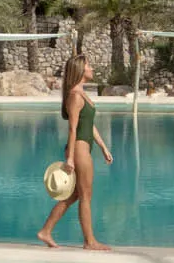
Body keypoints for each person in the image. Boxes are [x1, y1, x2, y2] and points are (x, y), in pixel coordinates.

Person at [37, 55, 115, 249]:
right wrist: (70, 158)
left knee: (76, 195)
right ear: (80, 70)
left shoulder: (81, 94)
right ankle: (90, 241)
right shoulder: (75, 95)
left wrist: (103, 147)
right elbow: (72, 129)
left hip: (84, 147)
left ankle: (46, 231)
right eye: (88, 65)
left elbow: (89, 125)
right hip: (78, 149)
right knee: (85, 195)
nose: (91, 68)